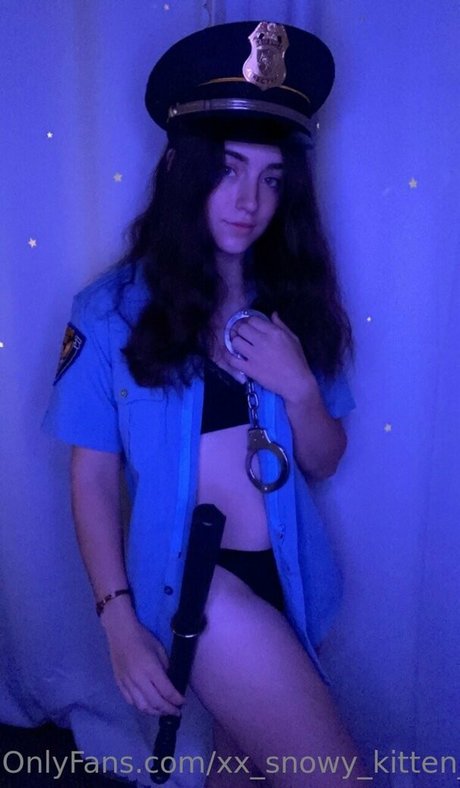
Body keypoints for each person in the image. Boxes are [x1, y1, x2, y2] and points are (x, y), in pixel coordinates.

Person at [43, 20, 368, 787]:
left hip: (294, 577)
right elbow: (92, 479)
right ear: (181, 168)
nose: (249, 201)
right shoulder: (108, 313)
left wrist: (298, 386)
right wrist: (117, 621)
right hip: (197, 590)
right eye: (227, 170)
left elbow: (325, 459)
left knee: (243, 772)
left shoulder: (294, 299)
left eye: (272, 179)